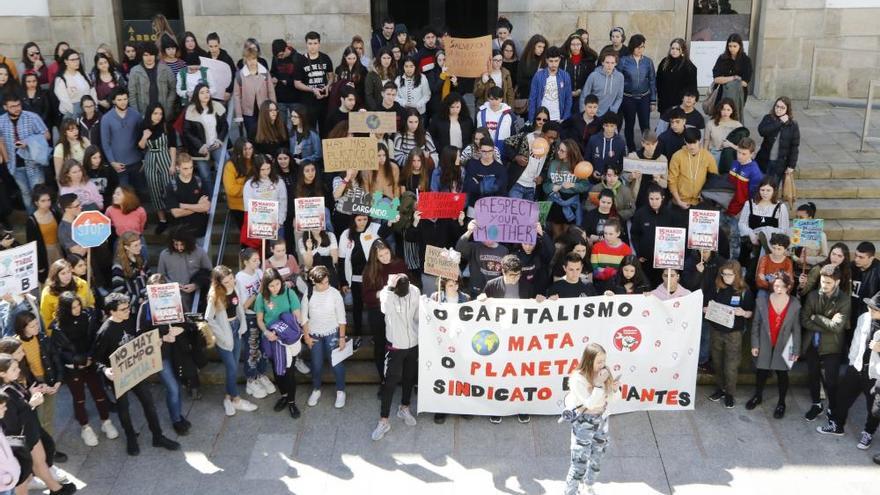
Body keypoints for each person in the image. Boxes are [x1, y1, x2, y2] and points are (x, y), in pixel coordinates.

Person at [94, 292, 180, 456]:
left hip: (136, 372)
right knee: (124, 409)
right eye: (123, 309)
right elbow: (96, 359)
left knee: (149, 403)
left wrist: (160, 339)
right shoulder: (104, 332)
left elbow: (143, 338)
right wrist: (105, 370)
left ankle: (158, 436)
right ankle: (131, 437)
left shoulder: (131, 321)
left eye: (128, 307)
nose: (128, 311)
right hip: (119, 377)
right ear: (112, 312)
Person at [0, 351, 76, 495]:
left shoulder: (11, 383)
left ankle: (55, 488)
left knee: (37, 464)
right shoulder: (4, 394)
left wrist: (30, 392)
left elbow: (21, 403)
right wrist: (32, 404)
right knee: (26, 475)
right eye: (14, 369)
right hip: (22, 439)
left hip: (30, 432)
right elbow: (12, 424)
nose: (19, 370)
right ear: (2, 373)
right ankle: (56, 489)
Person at [50, 292, 116, 447]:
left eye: (78, 305)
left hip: (90, 361)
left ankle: (106, 421)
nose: (77, 309)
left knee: (99, 392)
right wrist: (76, 360)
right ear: (66, 309)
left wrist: (91, 357)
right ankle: (85, 427)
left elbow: (95, 337)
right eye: (73, 307)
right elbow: (58, 351)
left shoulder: (88, 316)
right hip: (73, 367)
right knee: (79, 398)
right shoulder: (58, 326)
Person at [816, 292, 880, 447]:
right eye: (869, 306)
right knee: (842, 396)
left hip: (876, 374)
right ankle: (837, 425)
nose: (870, 310)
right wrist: (852, 362)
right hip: (857, 367)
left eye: (874, 309)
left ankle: (868, 433)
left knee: (875, 407)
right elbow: (856, 342)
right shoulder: (863, 318)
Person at [563, 342, 619, 495]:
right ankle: (571, 492)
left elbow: (611, 399)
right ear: (589, 360)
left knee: (597, 458)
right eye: (599, 361)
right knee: (579, 462)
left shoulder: (604, 373)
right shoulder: (578, 379)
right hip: (584, 423)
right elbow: (589, 403)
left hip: (601, 421)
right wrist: (599, 385)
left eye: (604, 361)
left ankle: (588, 485)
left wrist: (614, 389)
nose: (603, 365)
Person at [205, 265, 259, 417]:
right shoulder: (215, 294)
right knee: (232, 368)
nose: (230, 282)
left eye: (231, 278)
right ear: (218, 282)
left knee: (234, 366)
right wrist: (221, 335)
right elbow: (208, 318)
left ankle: (228, 397)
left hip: (236, 328)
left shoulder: (234, 287)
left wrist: (242, 325)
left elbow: (238, 307)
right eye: (226, 281)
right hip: (225, 331)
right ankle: (236, 398)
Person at [371, 274, 420, 441]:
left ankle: (404, 407)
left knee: (409, 378)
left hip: (413, 344)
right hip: (395, 346)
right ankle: (384, 420)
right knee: (390, 383)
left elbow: (418, 316)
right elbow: (386, 310)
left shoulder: (415, 291)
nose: (403, 295)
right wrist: (390, 291)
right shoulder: (387, 293)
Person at [745, 273, 801, 418]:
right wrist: (755, 344)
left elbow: (796, 329)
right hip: (764, 342)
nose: (779, 289)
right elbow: (756, 324)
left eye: (782, 286)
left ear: (788, 287)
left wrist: (796, 349)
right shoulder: (762, 301)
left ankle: (782, 402)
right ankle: (758, 396)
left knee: (782, 374)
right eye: (776, 285)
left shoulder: (794, 304)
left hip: (783, 344)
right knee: (761, 372)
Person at [801, 264, 851, 421]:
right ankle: (816, 404)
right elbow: (804, 319)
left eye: (828, 282)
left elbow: (836, 327)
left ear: (836, 282)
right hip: (812, 344)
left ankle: (832, 408)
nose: (824, 285)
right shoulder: (813, 295)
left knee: (831, 380)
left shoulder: (844, 299)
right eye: (822, 281)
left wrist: (816, 317)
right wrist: (825, 324)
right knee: (813, 376)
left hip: (832, 347)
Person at [703, 260, 754, 409]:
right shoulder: (716, 287)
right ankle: (721, 389)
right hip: (716, 330)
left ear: (737, 274)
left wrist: (743, 313)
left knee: (731, 365)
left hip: (734, 333)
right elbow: (706, 304)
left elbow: (750, 312)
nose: (726, 277)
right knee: (717, 362)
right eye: (723, 274)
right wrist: (706, 309)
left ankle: (730, 393)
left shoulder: (744, 291)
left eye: (729, 275)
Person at [255, 268, 304, 419]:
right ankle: (283, 395)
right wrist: (266, 332)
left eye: (277, 284)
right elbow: (260, 320)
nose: (275, 288)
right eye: (271, 286)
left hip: (287, 339)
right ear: (266, 286)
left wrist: (292, 330)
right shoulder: (261, 297)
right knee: (277, 370)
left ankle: (291, 402)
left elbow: (297, 315)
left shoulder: (289, 293)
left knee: (288, 372)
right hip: (271, 339)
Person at [301, 266, 348, 409]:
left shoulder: (334, 294)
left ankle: (341, 391)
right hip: (314, 334)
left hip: (332, 333)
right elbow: (304, 317)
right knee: (316, 364)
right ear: (314, 282)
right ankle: (316, 389)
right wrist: (307, 336)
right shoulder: (308, 293)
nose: (325, 285)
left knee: (337, 364)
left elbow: (341, 318)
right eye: (322, 283)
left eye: (327, 282)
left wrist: (341, 337)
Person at [0, 93, 49, 214]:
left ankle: (44, 219)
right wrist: (6, 161)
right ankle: (32, 219)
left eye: (18, 105)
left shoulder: (32, 117)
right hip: (14, 164)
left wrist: (28, 142)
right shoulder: (1, 121)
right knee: (26, 193)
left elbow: (47, 135)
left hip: (33, 162)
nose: (17, 108)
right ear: (5, 107)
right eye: (12, 106)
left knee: (39, 193)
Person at [667, 128, 718, 227]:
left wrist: (705, 196)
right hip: (680, 202)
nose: (691, 146)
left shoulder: (708, 156)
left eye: (694, 143)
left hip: (700, 203)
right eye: (688, 143)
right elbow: (672, 180)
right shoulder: (677, 156)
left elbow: (714, 179)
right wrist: (678, 201)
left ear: (699, 140)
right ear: (685, 141)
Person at [183, 83, 228, 186]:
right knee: (205, 176)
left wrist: (219, 140)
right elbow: (187, 132)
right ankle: (210, 198)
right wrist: (200, 145)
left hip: (215, 144)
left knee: (226, 166)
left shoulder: (217, 106)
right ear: (196, 95)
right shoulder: (190, 110)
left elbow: (224, 126)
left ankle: (225, 191)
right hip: (200, 149)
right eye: (202, 92)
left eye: (207, 92)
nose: (206, 94)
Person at [157, 227, 212, 311]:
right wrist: (173, 285)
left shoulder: (200, 252)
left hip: (196, 296)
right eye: (176, 244)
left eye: (182, 244)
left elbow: (209, 272)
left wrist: (196, 284)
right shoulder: (164, 255)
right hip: (173, 298)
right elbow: (160, 276)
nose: (179, 248)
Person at [617, 35, 656, 152]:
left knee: (645, 124)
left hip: (644, 97)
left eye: (642, 47)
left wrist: (653, 100)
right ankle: (631, 148)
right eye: (638, 47)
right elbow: (618, 79)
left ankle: (647, 148)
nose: (640, 50)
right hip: (628, 98)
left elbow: (652, 80)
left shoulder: (648, 62)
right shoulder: (624, 61)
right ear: (632, 47)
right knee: (629, 124)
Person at [544, 138, 591, 236]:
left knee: (568, 235)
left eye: (562, 151)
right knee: (556, 234)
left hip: (571, 202)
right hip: (555, 200)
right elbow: (546, 184)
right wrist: (552, 187)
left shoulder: (579, 166)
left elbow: (586, 186)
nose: (558, 152)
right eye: (559, 149)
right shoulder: (554, 163)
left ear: (570, 152)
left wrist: (573, 185)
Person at [100, 87, 143, 189]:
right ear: (114, 101)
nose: (123, 102)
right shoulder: (106, 118)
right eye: (119, 100)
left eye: (125, 99)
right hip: (119, 164)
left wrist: (143, 158)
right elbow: (105, 143)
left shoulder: (136, 115)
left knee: (139, 193)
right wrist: (112, 162)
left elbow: (142, 137)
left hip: (136, 162)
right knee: (125, 195)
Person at [139, 102, 177, 215]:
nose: (158, 116)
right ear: (149, 113)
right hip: (150, 159)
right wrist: (145, 137)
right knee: (154, 189)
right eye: (155, 113)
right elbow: (140, 146)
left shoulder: (167, 126)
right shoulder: (143, 126)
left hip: (165, 158)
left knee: (169, 187)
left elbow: (172, 146)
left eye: (160, 114)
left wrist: (173, 164)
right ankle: (162, 219)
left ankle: (174, 214)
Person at [39, 258, 94, 332]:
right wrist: (53, 334)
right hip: (63, 330)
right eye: (63, 273)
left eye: (68, 272)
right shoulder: (48, 293)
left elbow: (90, 303)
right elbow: (46, 317)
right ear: (55, 275)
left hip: (82, 325)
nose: (67, 276)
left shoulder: (82, 284)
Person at [165, 153, 211, 242]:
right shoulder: (172, 186)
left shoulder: (199, 181)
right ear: (178, 168)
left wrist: (183, 206)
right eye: (185, 168)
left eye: (191, 167)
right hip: (182, 234)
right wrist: (198, 206)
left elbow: (206, 207)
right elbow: (176, 213)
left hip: (201, 230)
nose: (189, 171)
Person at [295, 32, 334, 133]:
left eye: (315, 43)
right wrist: (312, 90)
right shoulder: (300, 60)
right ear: (306, 44)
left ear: (319, 44)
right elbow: (297, 83)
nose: (312, 46)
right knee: (309, 130)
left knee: (325, 129)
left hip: (324, 100)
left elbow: (331, 76)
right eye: (310, 43)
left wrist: (328, 86)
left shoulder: (326, 58)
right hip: (308, 102)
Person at [234, 45, 275, 140]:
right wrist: (239, 115)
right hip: (248, 112)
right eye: (249, 59)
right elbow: (237, 97)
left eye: (253, 59)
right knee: (252, 136)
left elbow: (271, 92)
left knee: (266, 135)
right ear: (245, 60)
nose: (252, 62)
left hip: (264, 110)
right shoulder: (240, 75)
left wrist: (273, 109)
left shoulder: (264, 72)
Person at [756, 96, 800, 182]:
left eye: (782, 107)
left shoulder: (793, 125)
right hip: (764, 160)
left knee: (774, 187)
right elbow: (762, 131)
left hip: (779, 164)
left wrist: (791, 165)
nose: (779, 109)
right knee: (760, 185)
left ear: (787, 110)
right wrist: (779, 122)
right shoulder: (768, 118)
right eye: (777, 106)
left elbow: (794, 147)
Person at [127, 44, 175, 118]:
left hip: (163, 110)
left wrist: (168, 105)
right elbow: (132, 94)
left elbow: (173, 88)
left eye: (151, 55)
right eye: (145, 55)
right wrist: (136, 112)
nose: (149, 58)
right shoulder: (135, 71)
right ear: (141, 56)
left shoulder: (165, 69)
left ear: (155, 55)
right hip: (143, 111)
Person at [26, 185, 62, 284]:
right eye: (43, 201)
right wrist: (40, 266)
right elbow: (33, 245)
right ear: (36, 202)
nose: (47, 203)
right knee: (51, 281)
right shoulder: (32, 220)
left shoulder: (54, 212)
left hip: (59, 249)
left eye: (48, 200)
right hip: (45, 253)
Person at [711, 33, 752, 117]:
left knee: (735, 116)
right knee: (720, 117)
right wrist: (734, 78)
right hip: (721, 93)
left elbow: (744, 82)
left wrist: (725, 79)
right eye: (730, 46)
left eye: (734, 46)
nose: (732, 49)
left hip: (738, 94)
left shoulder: (746, 60)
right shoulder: (722, 58)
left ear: (740, 46)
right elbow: (716, 79)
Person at [528, 46, 572, 123]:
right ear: (546, 60)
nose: (554, 64)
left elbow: (568, 98)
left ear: (559, 60)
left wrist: (565, 118)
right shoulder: (538, 76)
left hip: (558, 118)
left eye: (556, 61)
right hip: (541, 118)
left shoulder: (565, 76)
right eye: (551, 61)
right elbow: (532, 99)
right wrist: (532, 120)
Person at [589, 218, 633, 292]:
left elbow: (626, 272)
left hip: (618, 287)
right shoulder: (596, 247)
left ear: (618, 233)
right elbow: (595, 270)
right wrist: (613, 271)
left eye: (611, 234)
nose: (607, 237)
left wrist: (605, 271)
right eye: (605, 233)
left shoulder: (626, 250)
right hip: (599, 286)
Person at [656, 38, 697, 114]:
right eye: (673, 48)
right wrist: (660, 97)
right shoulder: (664, 62)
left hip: (680, 105)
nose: (674, 51)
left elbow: (692, 88)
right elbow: (658, 81)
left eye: (678, 49)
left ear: (683, 50)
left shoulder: (689, 66)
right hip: (664, 103)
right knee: (663, 125)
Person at [53, 49, 95, 119]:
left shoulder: (84, 74)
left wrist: (93, 107)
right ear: (66, 62)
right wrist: (76, 112)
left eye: (77, 59)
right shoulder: (61, 79)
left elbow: (92, 91)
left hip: (89, 110)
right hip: (72, 113)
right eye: (72, 60)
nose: (76, 62)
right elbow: (64, 100)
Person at [221, 139, 252, 231]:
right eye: (245, 149)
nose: (248, 151)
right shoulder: (230, 165)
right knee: (245, 236)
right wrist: (249, 189)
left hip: (254, 205)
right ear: (239, 150)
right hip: (238, 207)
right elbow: (230, 189)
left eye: (250, 148)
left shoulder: (255, 161)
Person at [561, 34, 596, 114]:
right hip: (566, 95)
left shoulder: (588, 60)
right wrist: (568, 90)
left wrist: (581, 89)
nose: (576, 47)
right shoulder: (563, 60)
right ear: (569, 45)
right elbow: (559, 77)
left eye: (578, 44)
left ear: (582, 45)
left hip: (582, 95)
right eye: (573, 44)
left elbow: (591, 78)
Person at [580, 52, 623, 116]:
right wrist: (583, 113)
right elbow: (584, 95)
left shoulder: (620, 77)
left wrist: (613, 110)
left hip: (609, 114)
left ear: (616, 64)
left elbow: (619, 97)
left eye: (612, 63)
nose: (609, 65)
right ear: (603, 63)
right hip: (592, 113)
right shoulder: (593, 75)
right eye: (607, 62)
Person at [585, 112, 625, 180]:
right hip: (593, 179)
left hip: (611, 180)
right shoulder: (593, 139)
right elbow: (587, 159)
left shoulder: (620, 142)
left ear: (616, 126)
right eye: (606, 125)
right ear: (603, 125)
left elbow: (622, 163)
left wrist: (613, 175)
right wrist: (592, 172)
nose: (609, 129)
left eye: (612, 126)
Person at [851, 242, 880, 334]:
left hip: (868, 317)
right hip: (850, 314)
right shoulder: (850, 267)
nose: (856, 259)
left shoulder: (878, 272)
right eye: (856, 255)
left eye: (861, 257)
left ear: (871, 258)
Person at [703, 98, 742, 165]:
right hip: (714, 154)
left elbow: (742, 147)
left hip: (730, 156)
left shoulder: (737, 125)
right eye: (723, 109)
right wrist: (704, 157)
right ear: (719, 110)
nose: (725, 112)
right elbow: (706, 141)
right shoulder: (710, 123)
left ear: (732, 111)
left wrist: (731, 145)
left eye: (728, 110)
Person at [515, 35, 547, 114]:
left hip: (541, 97)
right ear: (533, 46)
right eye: (539, 46)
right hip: (526, 98)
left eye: (543, 47)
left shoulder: (544, 60)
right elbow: (519, 81)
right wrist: (536, 76)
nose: (541, 50)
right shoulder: (524, 60)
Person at [205, 32, 236, 101]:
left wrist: (228, 91)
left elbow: (233, 75)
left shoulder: (227, 58)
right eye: (211, 46)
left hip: (223, 93)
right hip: (209, 94)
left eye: (216, 46)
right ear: (207, 45)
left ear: (219, 44)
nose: (213, 49)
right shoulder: (206, 58)